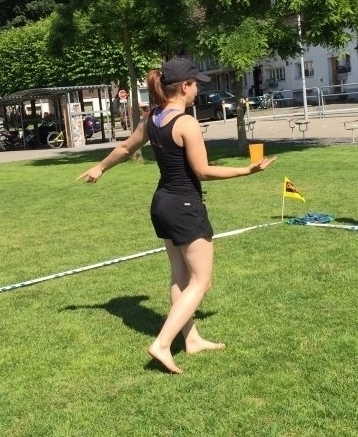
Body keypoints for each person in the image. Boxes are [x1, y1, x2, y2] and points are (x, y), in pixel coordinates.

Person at [77, 57, 276, 374]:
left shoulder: (152, 117)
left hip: (163, 204)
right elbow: (203, 171)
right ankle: (162, 343)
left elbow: (127, 148)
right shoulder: (186, 123)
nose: (198, 90)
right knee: (201, 281)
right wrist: (247, 170)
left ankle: (191, 339)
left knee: (180, 277)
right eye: (196, 84)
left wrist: (100, 168)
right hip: (184, 206)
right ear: (184, 86)